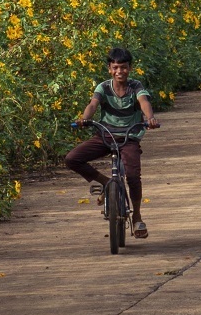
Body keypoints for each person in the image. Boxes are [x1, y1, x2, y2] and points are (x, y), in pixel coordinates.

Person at [67, 46, 158, 238]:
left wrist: (149, 118)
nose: (120, 72)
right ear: (110, 68)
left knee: (133, 176)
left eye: (123, 67)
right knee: (72, 159)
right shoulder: (103, 87)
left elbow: (144, 102)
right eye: (115, 67)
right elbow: (93, 104)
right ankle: (107, 183)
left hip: (129, 138)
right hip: (105, 135)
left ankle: (137, 218)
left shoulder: (136, 86)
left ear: (129, 68)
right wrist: (84, 119)